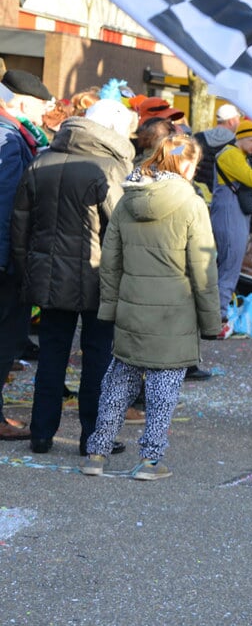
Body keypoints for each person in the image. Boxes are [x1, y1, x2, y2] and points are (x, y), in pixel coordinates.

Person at [82, 134, 222, 480]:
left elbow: (110, 260)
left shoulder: (128, 199)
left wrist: (111, 307)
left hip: (131, 308)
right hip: (174, 312)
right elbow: (203, 267)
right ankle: (150, 461)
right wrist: (210, 321)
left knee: (118, 383)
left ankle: (96, 453)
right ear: (186, 164)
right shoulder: (192, 204)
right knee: (163, 390)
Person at [12, 98, 136, 455]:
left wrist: (27, 272)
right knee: (98, 357)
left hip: (48, 278)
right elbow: (122, 228)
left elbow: (20, 226)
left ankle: (41, 434)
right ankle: (92, 438)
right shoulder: (109, 168)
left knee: (52, 355)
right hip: (98, 279)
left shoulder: (41, 160)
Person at [0, 71, 48, 440]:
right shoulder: (10, 137)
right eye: (39, 104)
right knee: (6, 335)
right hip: (3, 257)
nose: (44, 112)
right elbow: (8, 204)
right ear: (22, 102)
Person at [211, 119, 252, 323]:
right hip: (229, 214)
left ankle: (219, 311)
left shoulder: (237, 154)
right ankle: (219, 315)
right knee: (230, 264)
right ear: (240, 138)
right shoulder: (231, 155)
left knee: (230, 263)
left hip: (234, 212)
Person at [193, 103, 242, 191]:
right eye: (238, 119)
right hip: (221, 193)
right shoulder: (236, 144)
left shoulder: (198, 137)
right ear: (231, 121)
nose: (239, 123)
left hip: (198, 191)